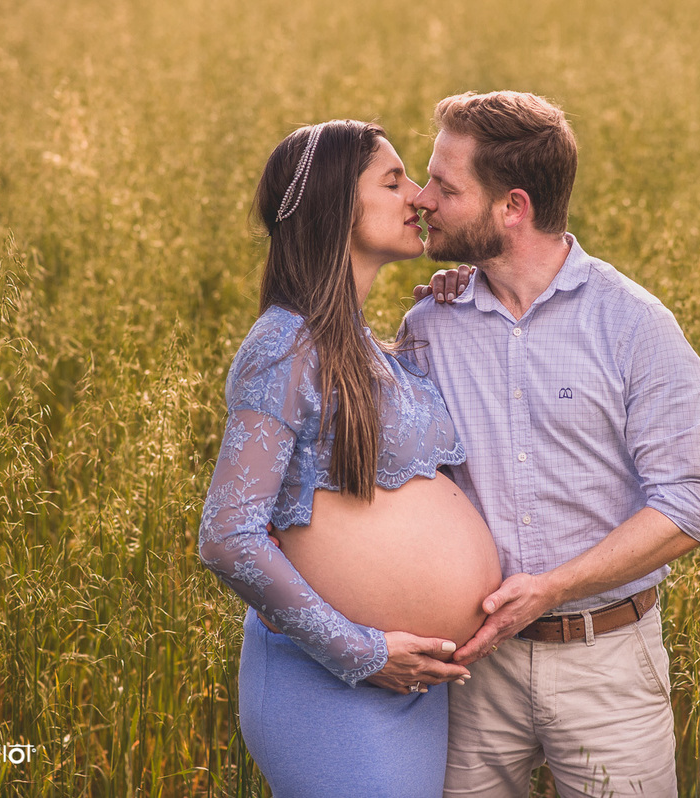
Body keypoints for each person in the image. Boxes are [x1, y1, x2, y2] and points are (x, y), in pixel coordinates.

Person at [400, 92, 700, 797]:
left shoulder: (635, 326)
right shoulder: (432, 322)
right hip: (472, 669)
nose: (422, 199)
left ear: (512, 207)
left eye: (446, 187)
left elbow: (690, 505)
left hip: (606, 663)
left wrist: (551, 588)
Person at [197, 120, 502, 797]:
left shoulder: (372, 347)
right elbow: (226, 536)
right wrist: (361, 653)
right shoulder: (283, 347)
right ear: (337, 207)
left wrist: (459, 304)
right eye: (394, 182)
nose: (419, 197)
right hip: (333, 680)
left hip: (412, 681)